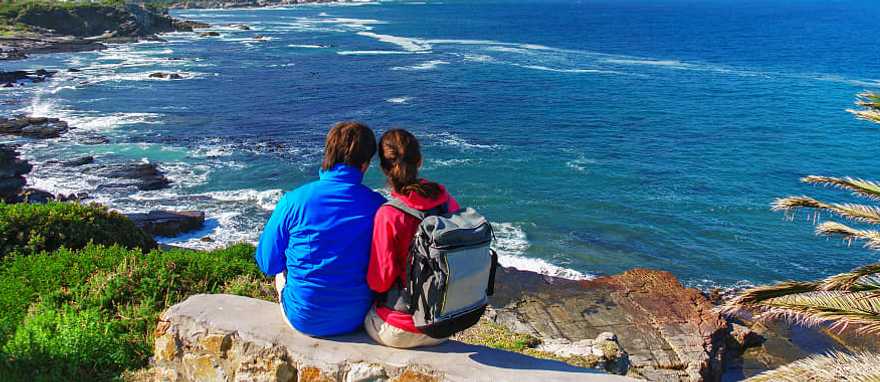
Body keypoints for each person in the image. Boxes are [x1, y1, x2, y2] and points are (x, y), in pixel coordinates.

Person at [255, 121, 386, 337]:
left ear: (329, 154)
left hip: (304, 318)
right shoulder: (379, 206)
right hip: (357, 316)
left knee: (281, 267)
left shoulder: (294, 201)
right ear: (365, 164)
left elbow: (268, 263)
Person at [365, 128, 461, 348]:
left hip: (402, 328)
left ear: (383, 167)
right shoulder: (444, 200)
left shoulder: (389, 214)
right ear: (420, 161)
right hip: (442, 324)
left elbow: (379, 281)